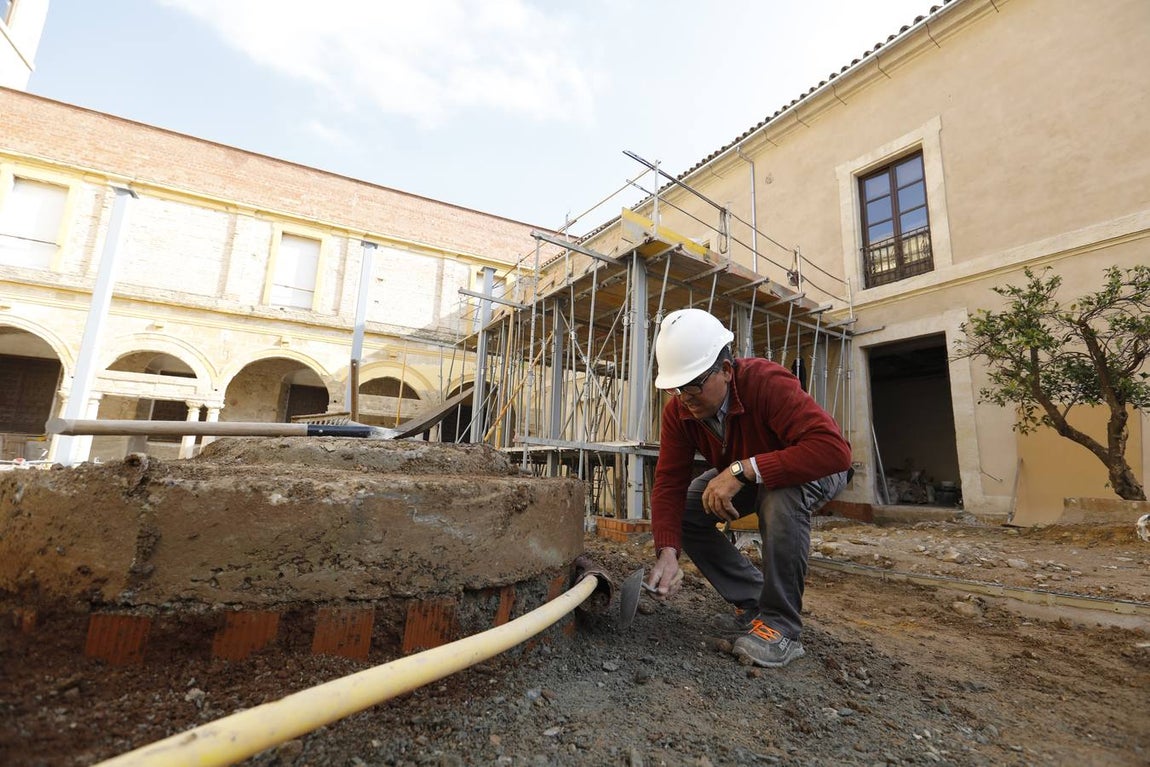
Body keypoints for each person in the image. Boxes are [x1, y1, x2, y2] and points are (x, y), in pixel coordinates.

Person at [644, 308, 852, 668]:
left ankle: (781, 627)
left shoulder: (765, 382)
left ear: (726, 370)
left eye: (694, 383)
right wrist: (667, 550)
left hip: (812, 465)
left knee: (780, 494)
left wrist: (743, 469)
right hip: (754, 471)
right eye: (678, 388)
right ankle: (754, 599)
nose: (685, 396)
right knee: (693, 504)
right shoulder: (680, 412)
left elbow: (834, 452)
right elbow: (668, 483)